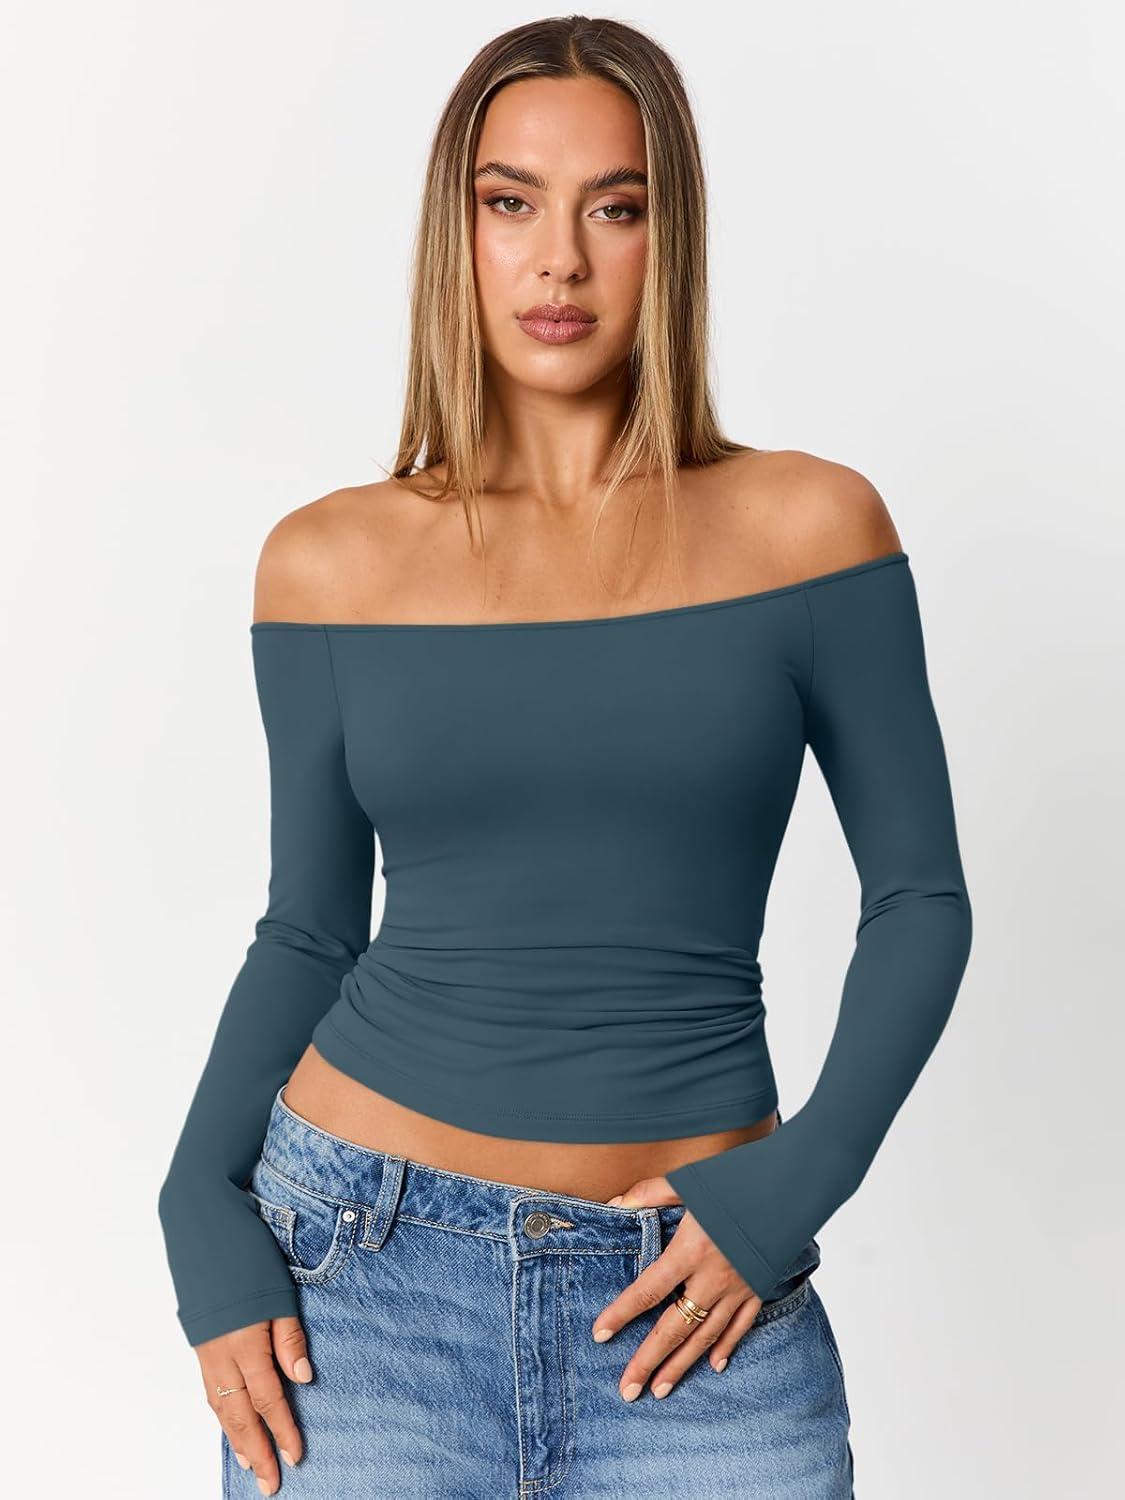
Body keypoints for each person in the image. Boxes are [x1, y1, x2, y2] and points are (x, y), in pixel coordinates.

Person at [158, 17, 972, 1498]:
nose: (560, 261)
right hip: (363, 1284)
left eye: (615, 206)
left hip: (697, 1304)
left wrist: (792, 1187)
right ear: (455, 233)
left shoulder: (809, 531)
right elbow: (310, 927)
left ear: (672, 237)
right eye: (510, 202)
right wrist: (194, 1201)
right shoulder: (329, 563)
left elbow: (919, 899)